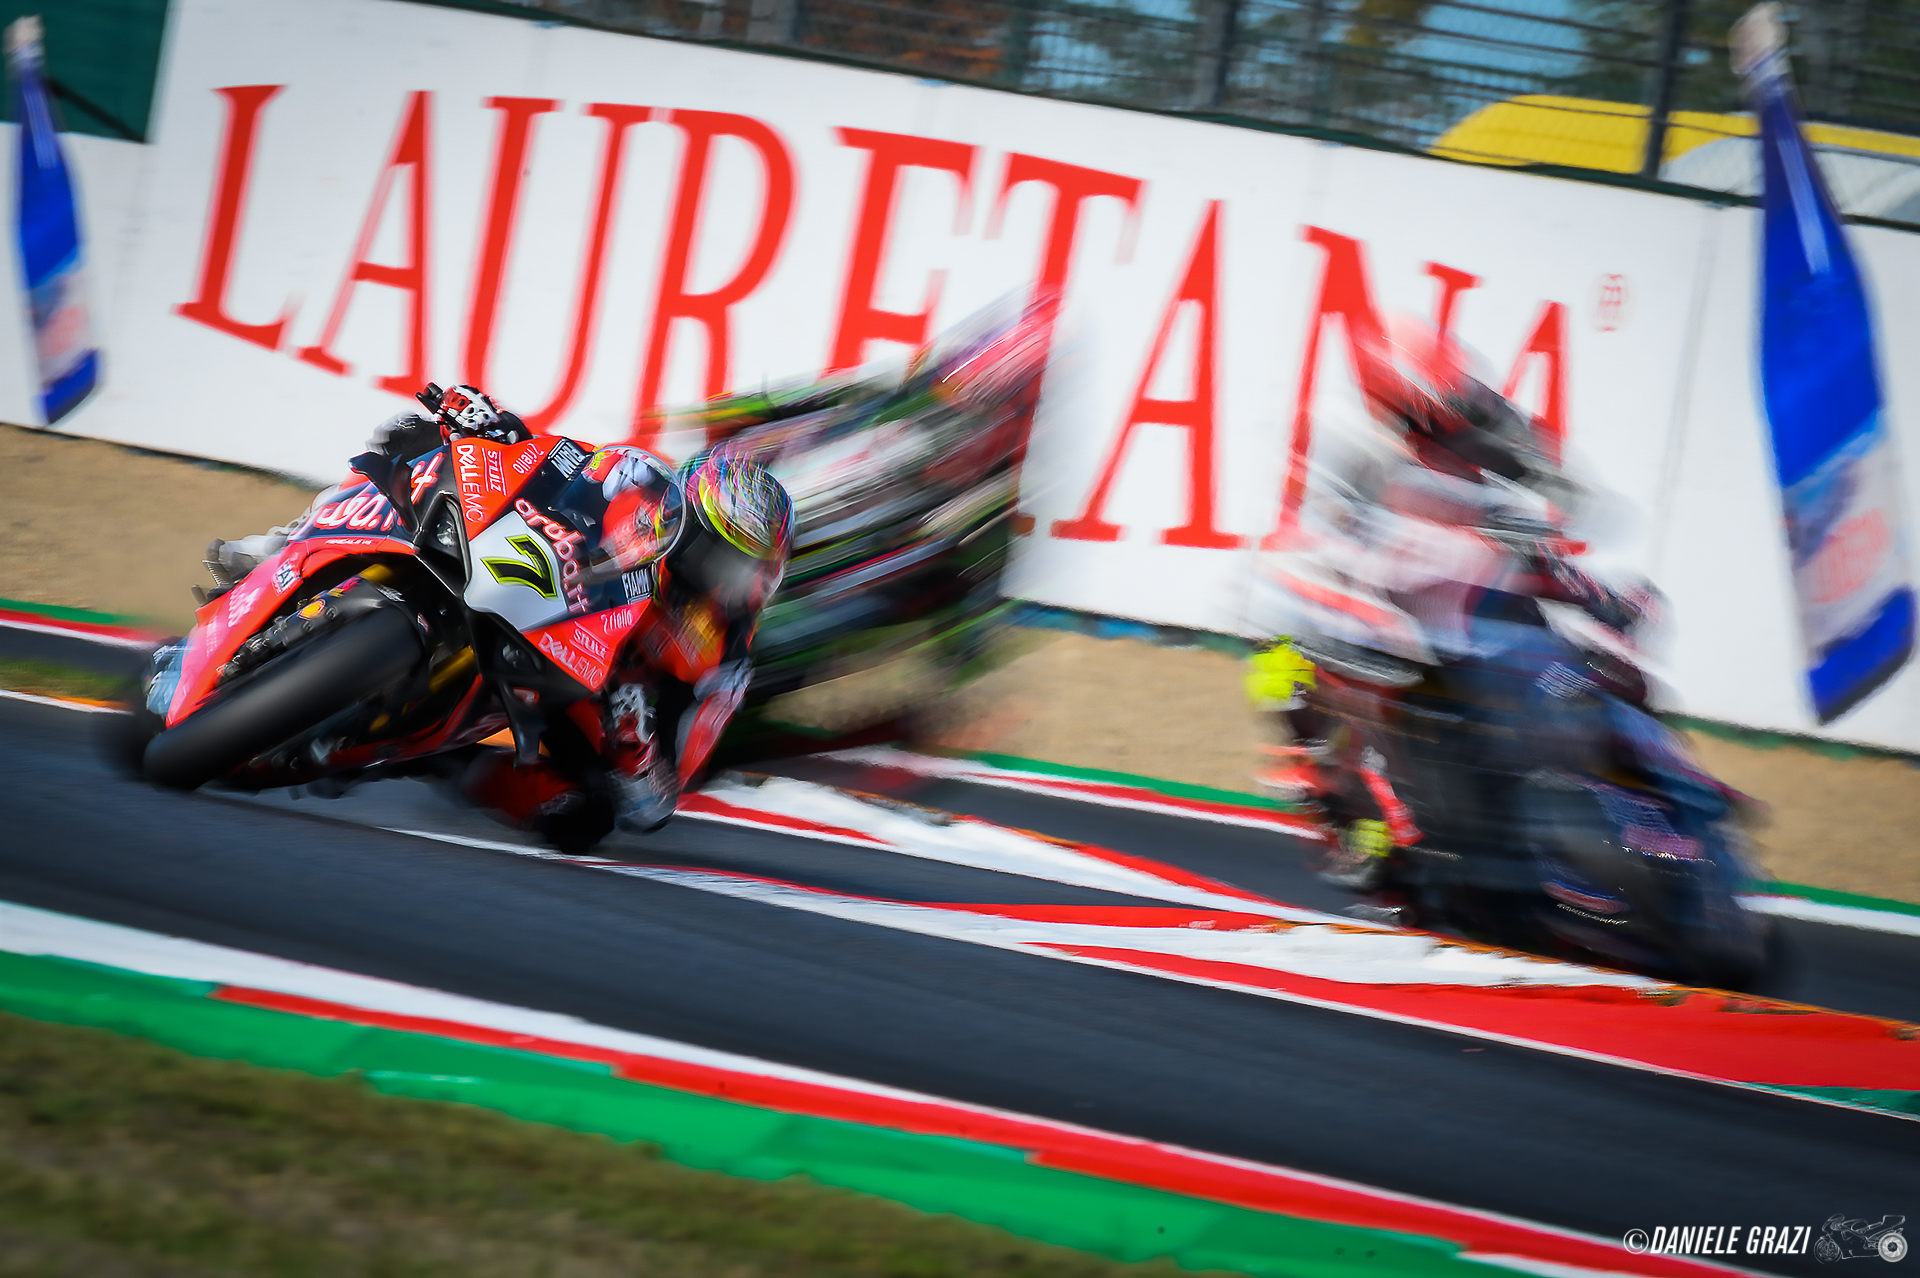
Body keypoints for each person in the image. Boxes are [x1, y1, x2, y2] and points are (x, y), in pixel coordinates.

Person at [202, 384, 793, 840]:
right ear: (689, 520)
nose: (725, 578)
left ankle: (431, 764)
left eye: (744, 571)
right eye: (721, 555)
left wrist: (636, 747)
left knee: (580, 818)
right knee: (411, 440)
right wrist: (495, 427)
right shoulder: (640, 489)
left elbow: (659, 799)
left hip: (587, 702)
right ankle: (278, 547)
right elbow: (564, 466)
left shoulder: (724, 659)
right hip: (539, 586)